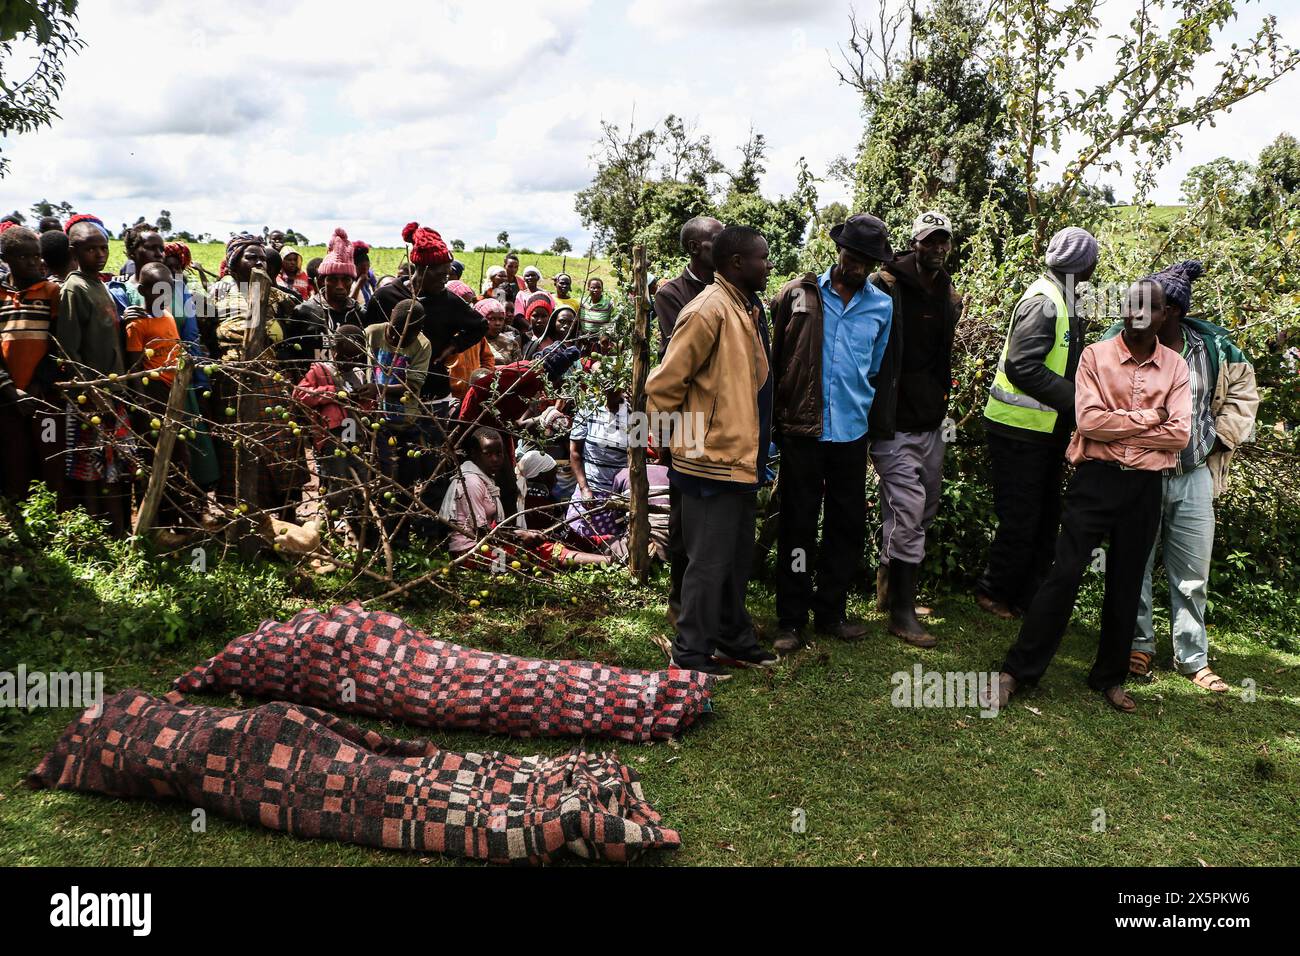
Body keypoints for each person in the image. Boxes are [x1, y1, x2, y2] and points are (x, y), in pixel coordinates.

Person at [990, 280, 1191, 714]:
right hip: (1095, 480)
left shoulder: (1176, 367)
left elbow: (1179, 433)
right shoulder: (1094, 357)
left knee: (1126, 581)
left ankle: (1109, 677)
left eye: (1150, 307)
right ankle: (1017, 671)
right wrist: (1148, 417)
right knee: (1063, 574)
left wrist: (1123, 422)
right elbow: (1088, 421)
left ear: (1164, 314)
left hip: (1144, 489)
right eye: (1132, 304)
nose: (1139, 313)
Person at [1106, 261, 1259, 694]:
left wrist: (1218, 440)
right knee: (1135, 562)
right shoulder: (1122, 345)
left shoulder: (1215, 347)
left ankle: (1192, 657)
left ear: (1170, 311)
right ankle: (1138, 644)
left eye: (1149, 306)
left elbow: (1245, 395)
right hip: (1140, 475)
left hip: (1193, 473)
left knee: (1192, 571)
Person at [646, 224, 777, 674]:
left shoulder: (746, 307)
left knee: (736, 561)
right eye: (762, 256)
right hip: (709, 463)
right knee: (706, 565)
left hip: (740, 461)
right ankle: (691, 656)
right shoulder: (707, 311)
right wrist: (667, 446)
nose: (769, 263)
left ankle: (734, 639)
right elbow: (664, 385)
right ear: (737, 263)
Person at [768, 214, 895, 652]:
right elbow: (777, 357)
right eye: (853, 255)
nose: (858, 265)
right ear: (838, 250)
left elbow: (875, 368)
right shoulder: (799, 295)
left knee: (845, 527)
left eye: (868, 259)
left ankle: (831, 612)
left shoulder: (882, 306)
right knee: (798, 526)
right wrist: (774, 427)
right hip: (802, 433)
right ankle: (791, 619)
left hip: (851, 433)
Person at [976, 226, 1098, 620]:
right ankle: (994, 592)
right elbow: (1021, 365)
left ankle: (1028, 597)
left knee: (1044, 516)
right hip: (1018, 430)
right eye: (1092, 262)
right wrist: (1078, 402)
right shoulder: (1045, 302)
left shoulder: (1064, 299)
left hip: (1042, 432)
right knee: (1021, 517)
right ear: (1081, 266)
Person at [867, 211, 963, 647]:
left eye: (943, 242)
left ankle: (889, 588)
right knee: (907, 509)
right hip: (892, 423)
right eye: (930, 241)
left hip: (931, 422)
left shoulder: (948, 294)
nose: (938, 249)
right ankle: (903, 614)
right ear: (915, 244)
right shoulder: (885, 286)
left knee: (921, 511)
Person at [654, 215, 724, 626]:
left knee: (722, 510)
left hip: (727, 418)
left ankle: (715, 598)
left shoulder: (732, 289)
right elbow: (682, 362)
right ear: (696, 248)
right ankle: (679, 597)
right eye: (716, 240)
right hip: (689, 421)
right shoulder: (673, 295)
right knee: (686, 513)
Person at [54, 217, 133, 535]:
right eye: (91, 249)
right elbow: (68, 351)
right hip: (92, 396)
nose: (100, 254)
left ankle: (118, 530)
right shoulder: (74, 289)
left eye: (103, 247)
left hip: (114, 391)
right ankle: (96, 533)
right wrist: (88, 393)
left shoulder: (100, 284)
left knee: (116, 467)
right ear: (74, 251)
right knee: (91, 469)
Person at [365, 221, 487, 423]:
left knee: (429, 450)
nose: (444, 280)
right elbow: (368, 340)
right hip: (388, 395)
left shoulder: (449, 302)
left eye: (447, 274)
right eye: (440, 275)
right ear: (421, 269)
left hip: (432, 395)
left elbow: (479, 325)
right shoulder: (385, 297)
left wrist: (454, 346)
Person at [0, 225, 62, 499]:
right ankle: (22, 529)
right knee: (14, 459)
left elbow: (57, 342)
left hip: (43, 396)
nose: (34, 262)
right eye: (25, 257)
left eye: (37, 256)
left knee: (51, 456)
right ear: (6, 259)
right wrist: (10, 391)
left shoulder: (51, 293)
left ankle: (58, 524)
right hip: (7, 397)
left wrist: (40, 382)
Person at [292, 227, 364, 362]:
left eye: (346, 280)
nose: (340, 286)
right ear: (321, 281)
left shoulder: (358, 314)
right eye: (333, 279)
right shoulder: (304, 312)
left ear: (352, 282)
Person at [477, 296, 523, 363]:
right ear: (481, 320)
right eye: (492, 319)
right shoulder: (472, 345)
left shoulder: (511, 344)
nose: (497, 323)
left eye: (501, 319)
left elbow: (519, 369)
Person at [351, 241, 377, 307]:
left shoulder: (370, 274)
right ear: (354, 267)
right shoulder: (349, 279)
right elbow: (349, 303)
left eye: (368, 267)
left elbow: (376, 291)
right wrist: (359, 284)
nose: (365, 272)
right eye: (361, 269)